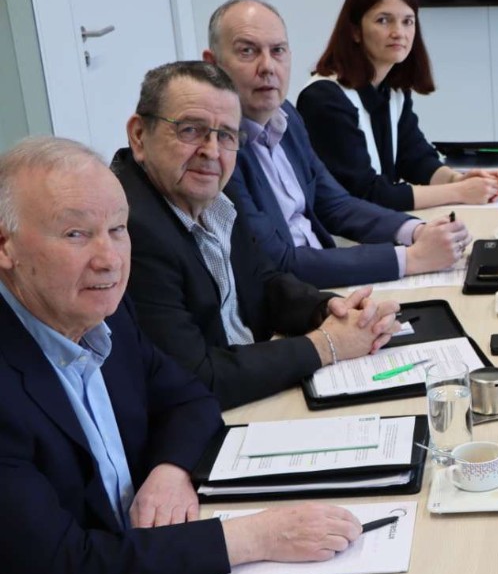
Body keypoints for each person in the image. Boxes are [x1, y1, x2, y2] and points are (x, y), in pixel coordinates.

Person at [0, 137, 367, 574]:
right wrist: (257, 536)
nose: (109, 259)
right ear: (5, 246)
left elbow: (190, 398)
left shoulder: (102, 313)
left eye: (118, 229)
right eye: (76, 234)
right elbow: (68, 571)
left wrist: (169, 470)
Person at [115, 61, 401, 409]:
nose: (211, 151)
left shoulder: (213, 195)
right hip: (208, 415)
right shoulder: (128, 229)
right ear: (139, 136)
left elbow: (264, 282)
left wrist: (327, 309)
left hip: (252, 390)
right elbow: (194, 377)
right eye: (190, 130)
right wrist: (328, 344)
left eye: (226, 135)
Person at [203, 0, 470, 289]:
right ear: (212, 65)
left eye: (277, 51)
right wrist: (412, 258)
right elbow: (277, 262)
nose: (267, 66)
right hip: (292, 297)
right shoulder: (216, 149)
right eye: (247, 51)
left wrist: (416, 231)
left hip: (328, 283)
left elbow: (335, 203)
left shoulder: (285, 116)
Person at [297, 0, 498, 211]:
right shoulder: (324, 98)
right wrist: (459, 192)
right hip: (339, 232)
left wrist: (457, 179)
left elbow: (415, 157)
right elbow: (365, 194)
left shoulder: (393, 89)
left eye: (408, 21)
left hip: (379, 226)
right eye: (384, 20)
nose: (399, 32)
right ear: (355, 31)